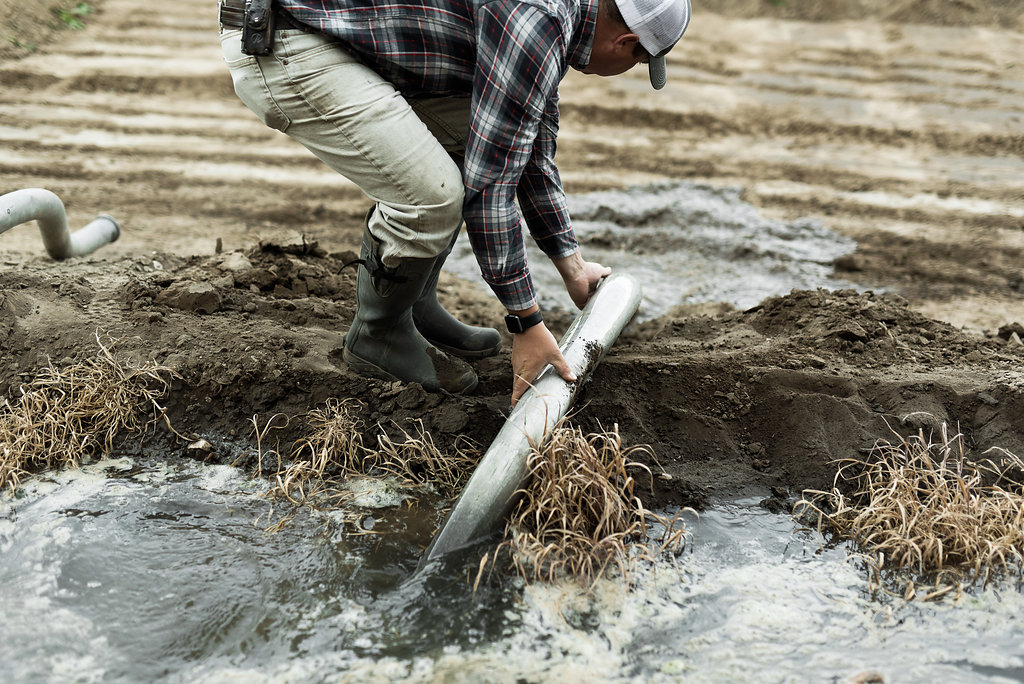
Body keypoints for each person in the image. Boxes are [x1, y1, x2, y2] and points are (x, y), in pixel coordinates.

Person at [219, 0, 691, 407]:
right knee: (432, 197)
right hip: (283, 37)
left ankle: (412, 306)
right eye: (638, 63)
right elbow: (491, 186)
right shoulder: (538, 19)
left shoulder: (556, 19)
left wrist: (572, 265)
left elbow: (529, 150)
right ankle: (377, 335)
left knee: (476, 140)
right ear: (625, 43)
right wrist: (524, 321)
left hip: (326, 30)